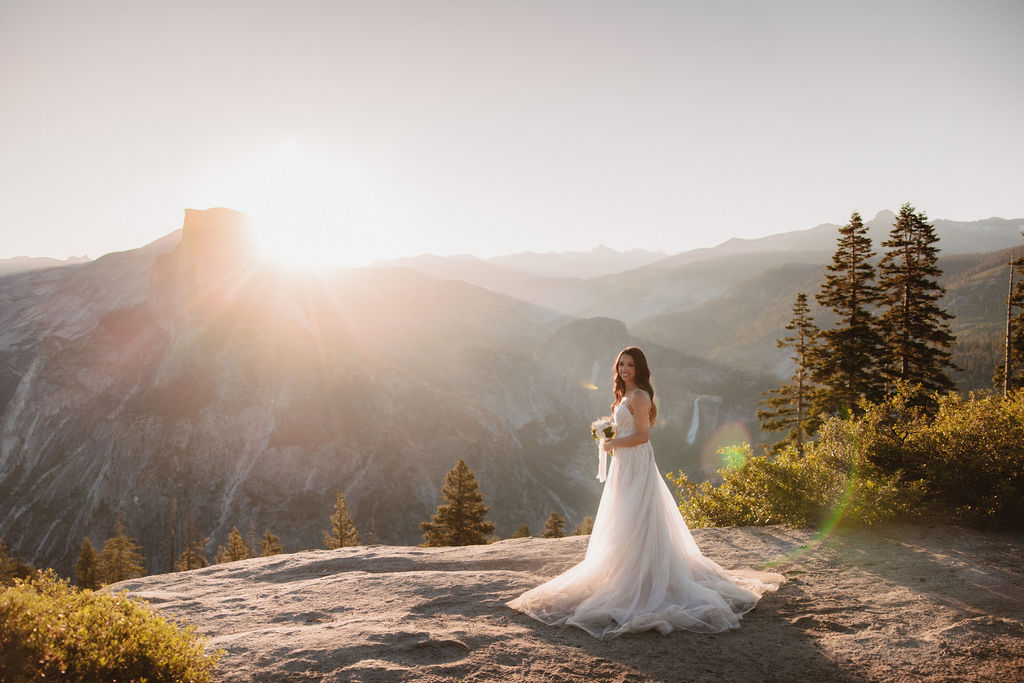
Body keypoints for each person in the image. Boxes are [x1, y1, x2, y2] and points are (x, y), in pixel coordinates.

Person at [507, 346, 782, 639]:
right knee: (625, 517)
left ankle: (641, 578)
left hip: (636, 463)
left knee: (636, 515)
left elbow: (642, 436)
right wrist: (610, 437)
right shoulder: (624, 395)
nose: (624, 369)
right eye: (621, 364)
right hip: (625, 465)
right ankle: (628, 570)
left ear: (639, 369)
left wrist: (612, 444)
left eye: (630, 365)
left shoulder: (639, 396)